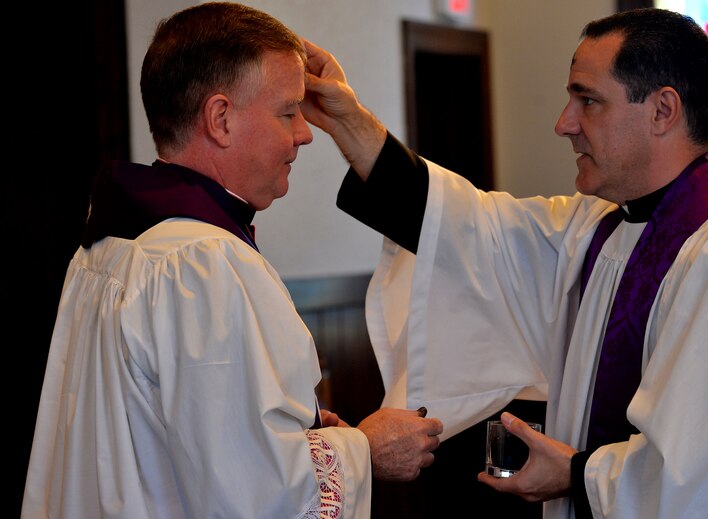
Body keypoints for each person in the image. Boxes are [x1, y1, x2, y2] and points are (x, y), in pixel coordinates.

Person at [301, 7, 708, 519]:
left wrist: (576, 474)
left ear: (663, 110)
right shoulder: (598, 227)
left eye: (588, 100)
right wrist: (348, 122)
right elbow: (468, 228)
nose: (563, 123)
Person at [21, 3, 443, 518]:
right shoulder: (202, 264)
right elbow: (254, 498)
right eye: (288, 112)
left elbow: (160, 447)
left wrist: (298, 430)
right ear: (220, 119)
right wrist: (364, 450)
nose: (305, 134)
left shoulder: (108, 247)